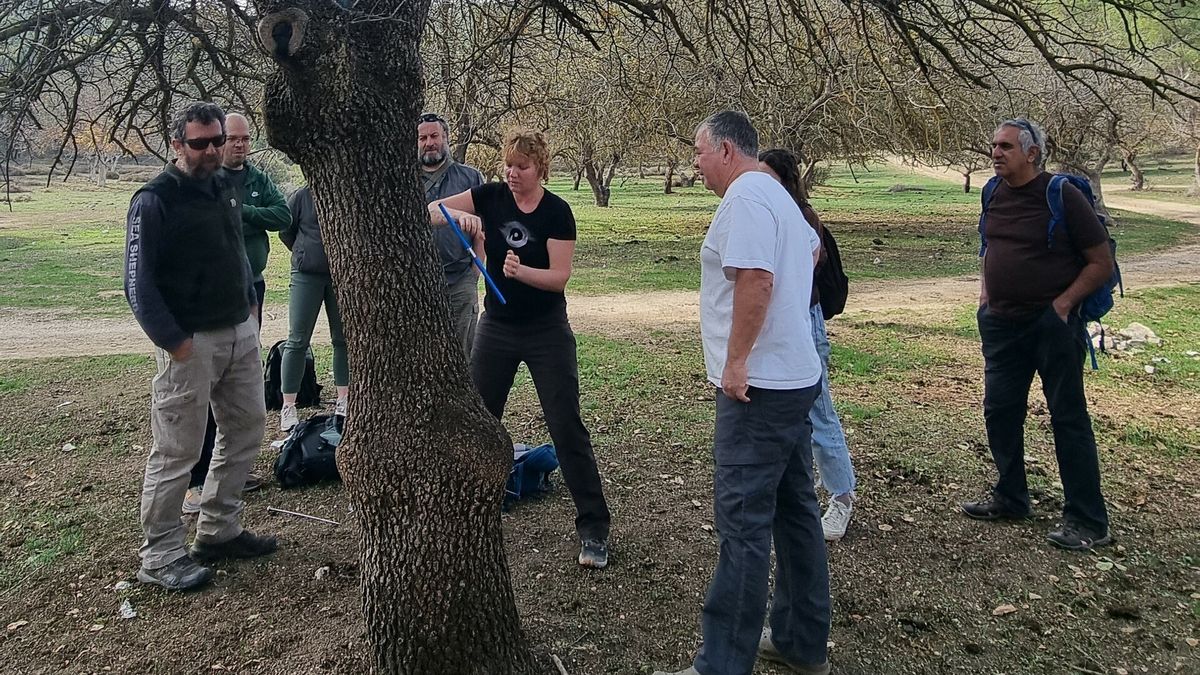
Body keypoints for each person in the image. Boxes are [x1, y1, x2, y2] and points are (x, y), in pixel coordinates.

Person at [654, 111, 829, 675]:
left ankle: (722, 664)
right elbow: (811, 252)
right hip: (794, 377)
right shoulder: (776, 195)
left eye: (699, 153)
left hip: (761, 389)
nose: (696, 165)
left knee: (744, 522)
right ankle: (802, 641)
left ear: (726, 149)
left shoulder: (749, 197)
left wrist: (736, 362)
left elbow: (757, 279)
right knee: (795, 510)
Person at [430, 127, 612, 570]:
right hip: (498, 327)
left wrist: (521, 271)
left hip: (546, 329)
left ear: (540, 169)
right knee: (478, 420)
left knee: (565, 424)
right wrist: (464, 219)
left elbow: (559, 277)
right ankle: (468, 507)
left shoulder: (557, 212)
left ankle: (594, 526)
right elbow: (430, 210)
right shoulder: (490, 196)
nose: (512, 174)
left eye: (522, 167)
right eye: (508, 165)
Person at [123, 101, 277, 592]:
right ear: (176, 144)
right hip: (189, 343)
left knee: (247, 428)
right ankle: (161, 553)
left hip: (239, 332)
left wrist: (249, 311)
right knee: (177, 450)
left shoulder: (226, 187)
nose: (211, 150)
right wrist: (176, 344)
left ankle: (218, 529)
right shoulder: (155, 199)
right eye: (200, 143)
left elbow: (236, 255)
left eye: (217, 141)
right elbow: (137, 284)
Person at [962, 117, 1114, 551]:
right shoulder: (992, 193)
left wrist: (1062, 306)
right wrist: (986, 298)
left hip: (1051, 326)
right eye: (994, 145)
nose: (996, 153)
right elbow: (989, 246)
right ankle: (1011, 496)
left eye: (1006, 146)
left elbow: (1099, 262)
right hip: (1001, 325)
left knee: (1067, 418)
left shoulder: (1060, 194)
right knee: (1000, 411)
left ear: (1032, 153)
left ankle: (1088, 519)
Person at [182, 112, 289, 507]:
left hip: (250, 291)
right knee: (203, 389)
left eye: (245, 139)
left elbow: (283, 216)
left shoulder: (257, 180)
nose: (239, 145)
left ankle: (230, 475)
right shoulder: (203, 182)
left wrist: (242, 213)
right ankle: (198, 477)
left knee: (238, 386)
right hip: (208, 300)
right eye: (233, 138)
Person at [758, 149, 856, 542]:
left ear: (786, 182)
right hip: (778, 324)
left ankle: (842, 497)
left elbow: (790, 272)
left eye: (768, 178)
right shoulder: (768, 214)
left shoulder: (802, 219)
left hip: (805, 323)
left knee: (818, 412)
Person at [277, 185, 349, 431]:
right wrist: (304, 252)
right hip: (306, 273)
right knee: (297, 340)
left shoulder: (346, 192)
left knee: (342, 339)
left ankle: (344, 399)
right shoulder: (301, 196)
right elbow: (286, 231)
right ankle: (288, 405)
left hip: (341, 275)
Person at [419, 112, 485, 357]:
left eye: (435, 135)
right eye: (423, 138)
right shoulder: (403, 180)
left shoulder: (470, 177)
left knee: (464, 353)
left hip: (459, 279)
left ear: (446, 138)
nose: (429, 142)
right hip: (417, 282)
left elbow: (484, 230)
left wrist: (475, 272)